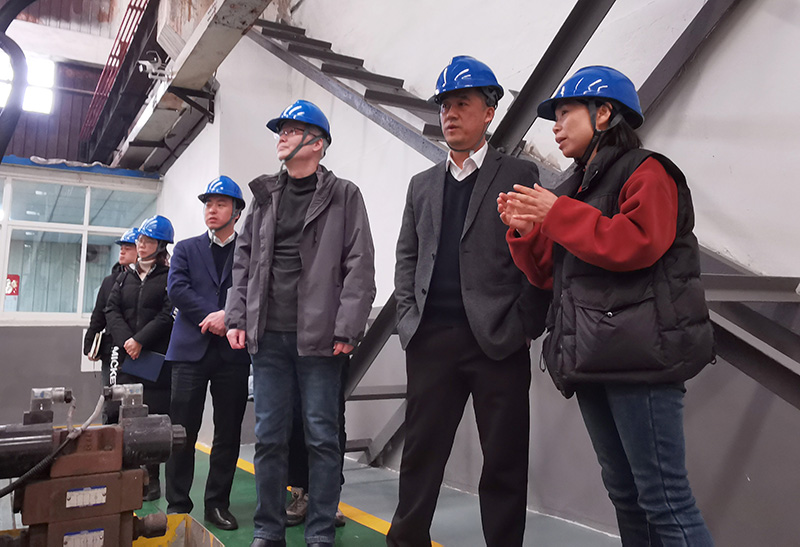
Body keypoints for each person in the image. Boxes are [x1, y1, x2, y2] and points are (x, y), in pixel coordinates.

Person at [499, 65, 714, 546]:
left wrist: (557, 214)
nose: (556, 126)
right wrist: (527, 232)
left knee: (665, 499)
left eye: (565, 112)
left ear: (603, 114)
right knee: (626, 494)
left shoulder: (648, 171)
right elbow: (552, 275)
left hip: (642, 358)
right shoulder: (575, 188)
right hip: (592, 356)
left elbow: (638, 243)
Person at [388, 56, 549, 547]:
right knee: (420, 456)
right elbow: (407, 256)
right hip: (430, 341)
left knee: (504, 460)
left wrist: (524, 324)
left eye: (462, 103)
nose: (450, 114)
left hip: (497, 341)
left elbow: (537, 251)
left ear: (489, 113)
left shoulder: (518, 173)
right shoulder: (421, 185)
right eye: (444, 106)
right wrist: (408, 321)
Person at [225, 99, 376, 547]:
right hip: (267, 338)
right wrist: (237, 316)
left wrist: (348, 327)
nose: (282, 137)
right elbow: (243, 260)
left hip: (320, 340)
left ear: (318, 143)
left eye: (292, 130)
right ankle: (268, 530)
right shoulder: (264, 196)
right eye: (281, 131)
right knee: (269, 438)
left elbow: (360, 263)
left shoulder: (344, 195)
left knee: (322, 438)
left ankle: (320, 532)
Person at [164, 176, 251, 530]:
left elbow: (256, 290)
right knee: (181, 431)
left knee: (227, 433)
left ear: (237, 211)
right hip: (190, 351)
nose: (212, 210)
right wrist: (215, 317)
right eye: (208, 204)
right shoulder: (186, 249)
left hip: (233, 351)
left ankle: (217, 504)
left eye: (220, 204)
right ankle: (177, 505)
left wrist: (228, 317)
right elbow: (177, 289)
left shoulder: (250, 250)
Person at [105, 214, 175, 502]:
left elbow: (168, 314)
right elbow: (111, 310)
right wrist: (127, 341)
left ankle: (152, 479)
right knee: (124, 415)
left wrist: (140, 341)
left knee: (153, 420)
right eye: (140, 240)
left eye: (148, 241)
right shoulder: (125, 277)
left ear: (162, 245)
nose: (142, 245)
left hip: (155, 361)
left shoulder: (170, 277)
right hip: (127, 358)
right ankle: (125, 474)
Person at [83, 227, 139, 421]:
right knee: (112, 402)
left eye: (128, 248)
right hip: (113, 352)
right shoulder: (109, 282)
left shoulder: (150, 282)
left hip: (139, 350)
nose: (122, 251)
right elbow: (98, 315)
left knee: (137, 402)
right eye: (121, 247)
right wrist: (90, 345)